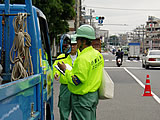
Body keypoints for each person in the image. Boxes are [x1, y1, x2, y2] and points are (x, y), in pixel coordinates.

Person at [58, 24, 104, 120]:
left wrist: (65, 70)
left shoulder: (82, 58)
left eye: (78, 40)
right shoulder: (97, 55)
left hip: (82, 99)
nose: (76, 42)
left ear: (83, 41)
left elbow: (76, 80)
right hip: (93, 96)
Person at [53, 34, 80, 120]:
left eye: (74, 45)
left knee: (77, 110)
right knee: (63, 108)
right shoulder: (62, 56)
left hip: (78, 86)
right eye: (71, 45)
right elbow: (56, 66)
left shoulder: (82, 57)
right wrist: (56, 73)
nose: (72, 47)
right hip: (65, 86)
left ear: (78, 45)